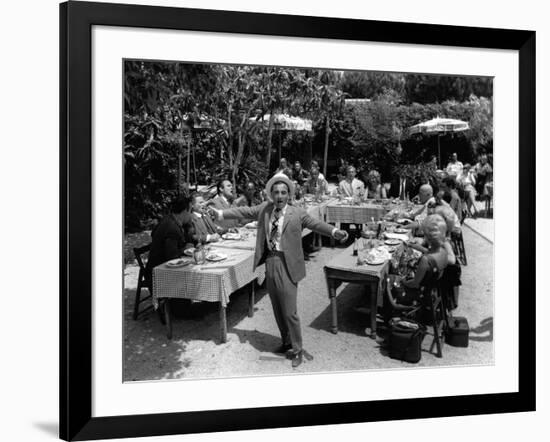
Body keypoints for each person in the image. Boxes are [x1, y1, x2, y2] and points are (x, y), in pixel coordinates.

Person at [209, 173, 348, 368]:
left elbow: (315, 224)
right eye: (276, 192)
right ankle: (286, 342)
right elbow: (244, 211)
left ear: (289, 194)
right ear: (271, 195)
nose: (280, 196)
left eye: (283, 192)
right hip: (271, 262)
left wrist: (334, 231)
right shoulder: (265, 209)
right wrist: (221, 214)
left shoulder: (297, 213)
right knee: (277, 307)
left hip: (288, 264)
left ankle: (298, 349)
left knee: (290, 311)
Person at [392, 215, 449, 306]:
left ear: (427, 237)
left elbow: (414, 284)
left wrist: (402, 281)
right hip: (433, 290)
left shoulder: (425, 260)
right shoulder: (443, 252)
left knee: (390, 283)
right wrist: (418, 248)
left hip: (420, 295)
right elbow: (432, 254)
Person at [145, 195, 195, 280]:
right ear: (184, 211)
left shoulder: (169, 219)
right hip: (159, 273)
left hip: (156, 267)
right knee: (195, 277)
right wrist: (185, 249)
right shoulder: (172, 228)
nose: (191, 215)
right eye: (190, 211)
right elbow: (172, 257)